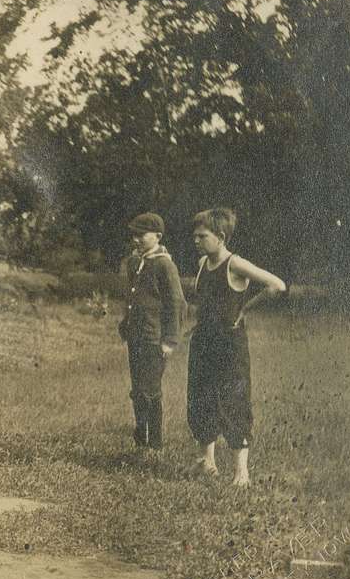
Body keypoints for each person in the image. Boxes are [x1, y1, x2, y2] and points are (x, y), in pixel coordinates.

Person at [187, 208, 286, 486]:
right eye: (194, 235)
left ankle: (241, 473)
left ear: (220, 236)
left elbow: (276, 284)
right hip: (203, 341)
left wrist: (246, 308)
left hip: (229, 345)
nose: (196, 240)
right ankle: (207, 463)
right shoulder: (201, 264)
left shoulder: (235, 264)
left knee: (233, 402)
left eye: (202, 236)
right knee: (200, 399)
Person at [118, 212, 186, 452]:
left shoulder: (165, 265)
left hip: (153, 339)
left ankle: (155, 444)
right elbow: (134, 297)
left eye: (142, 235)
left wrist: (169, 339)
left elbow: (176, 303)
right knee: (137, 390)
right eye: (134, 234)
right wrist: (126, 323)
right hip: (136, 337)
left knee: (150, 390)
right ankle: (141, 440)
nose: (136, 239)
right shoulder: (136, 263)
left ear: (157, 236)